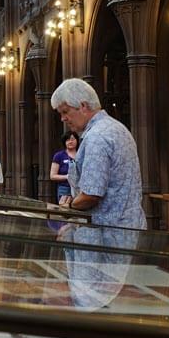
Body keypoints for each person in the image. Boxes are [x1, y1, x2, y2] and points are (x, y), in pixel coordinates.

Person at [50, 78, 146, 229]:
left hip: (106, 234)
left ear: (83, 106)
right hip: (127, 227)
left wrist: (69, 206)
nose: (63, 118)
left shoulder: (96, 137)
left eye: (65, 111)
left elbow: (90, 196)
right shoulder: (116, 127)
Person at [50, 131, 80, 205]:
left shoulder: (81, 154)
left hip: (80, 189)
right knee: (66, 212)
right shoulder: (59, 156)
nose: (70, 141)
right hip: (65, 189)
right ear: (64, 142)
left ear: (77, 141)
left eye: (72, 139)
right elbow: (52, 176)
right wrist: (67, 177)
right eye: (67, 140)